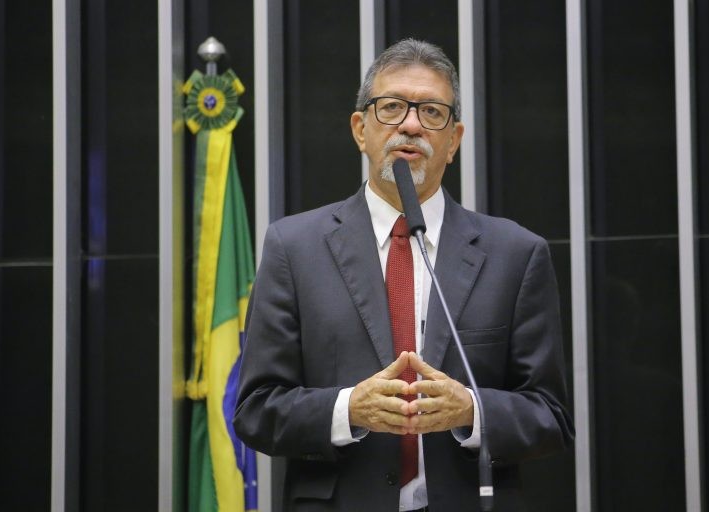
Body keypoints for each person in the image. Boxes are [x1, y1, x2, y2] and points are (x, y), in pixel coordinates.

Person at [233, 38, 574, 511]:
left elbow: (550, 416)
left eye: (431, 112)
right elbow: (255, 410)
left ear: (453, 140)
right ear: (361, 129)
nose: (410, 125)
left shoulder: (515, 254)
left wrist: (471, 412)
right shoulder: (294, 248)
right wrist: (347, 408)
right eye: (391, 107)